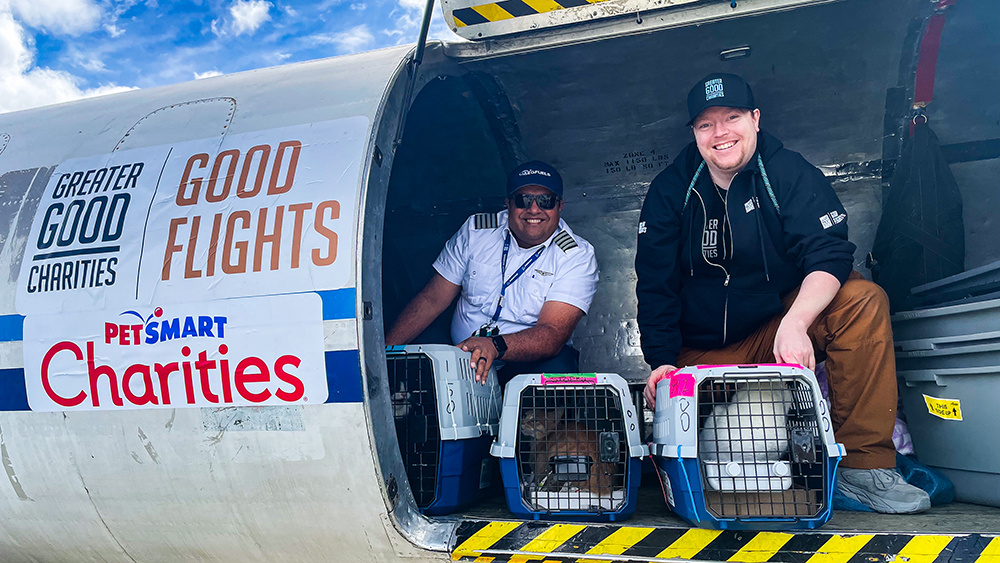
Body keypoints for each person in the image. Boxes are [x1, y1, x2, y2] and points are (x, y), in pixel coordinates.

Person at [635, 73, 930, 514]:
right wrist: (660, 361)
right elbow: (655, 283)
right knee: (713, 456)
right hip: (699, 355)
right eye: (706, 124)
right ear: (694, 133)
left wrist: (795, 324)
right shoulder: (671, 189)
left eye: (732, 117)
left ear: (755, 119)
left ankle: (864, 469)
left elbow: (829, 253)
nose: (720, 134)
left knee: (862, 300)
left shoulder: (787, 171)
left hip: (771, 331)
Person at [386, 160, 598, 386]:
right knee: (414, 354)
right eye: (523, 200)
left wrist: (494, 345)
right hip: (462, 353)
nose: (534, 209)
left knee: (558, 369)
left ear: (560, 206)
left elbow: (552, 334)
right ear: (508, 204)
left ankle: (533, 423)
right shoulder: (476, 231)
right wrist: (385, 352)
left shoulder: (576, 255)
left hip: (523, 361)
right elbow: (432, 299)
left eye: (545, 201)